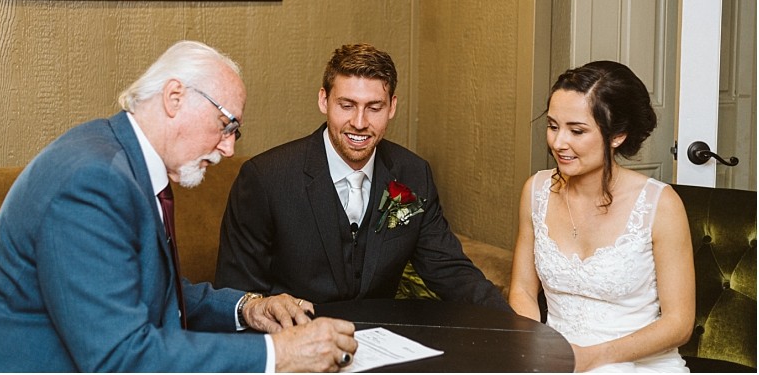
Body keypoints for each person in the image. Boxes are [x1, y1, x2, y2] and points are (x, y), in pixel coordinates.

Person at [0, 40, 357, 373]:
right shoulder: (93, 181)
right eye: (227, 125)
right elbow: (120, 359)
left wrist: (246, 308)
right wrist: (279, 354)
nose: (229, 147)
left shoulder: (120, 154)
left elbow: (150, 288)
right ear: (174, 97)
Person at [215, 43, 510, 311]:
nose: (359, 123)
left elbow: (450, 270)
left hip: (383, 345)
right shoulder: (266, 179)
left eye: (374, 108)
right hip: (294, 346)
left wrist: (516, 329)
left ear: (392, 106)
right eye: (347, 105)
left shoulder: (413, 173)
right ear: (324, 101)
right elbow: (237, 295)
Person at [508, 61, 694, 372]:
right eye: (553, 126)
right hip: (554, 359)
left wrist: (593, 357)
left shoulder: (661, 205)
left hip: (635, 363)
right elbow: (523, 290)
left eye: (576, 131)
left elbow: (679, 323)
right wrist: (534, 349)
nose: (558, 143)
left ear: (617, 135)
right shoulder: (535, 191)